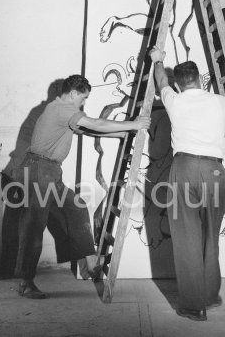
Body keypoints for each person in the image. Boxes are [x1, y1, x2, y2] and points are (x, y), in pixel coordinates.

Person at [14, 74, 151, 299]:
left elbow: (88, 130)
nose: (84, 102)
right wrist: (134, 124)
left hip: (48, 171)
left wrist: (123, 133)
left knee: (76, 208)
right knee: (33, 228)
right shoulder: (61, 109)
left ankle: (89, 261)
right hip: (38, 170)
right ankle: (26, 282)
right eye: (83, 98)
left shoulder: (64, 111)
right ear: (73, 94)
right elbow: (94, 123)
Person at [149, 46, 225, 321]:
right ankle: (210, 296)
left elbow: (160, 80)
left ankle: (195, 306)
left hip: (183, 168)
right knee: (210, 236)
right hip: (214, 171)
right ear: (199, 79)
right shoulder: (219, 101)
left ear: (180, 84)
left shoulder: (174, 100)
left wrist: (158, 60)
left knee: (186, 238)